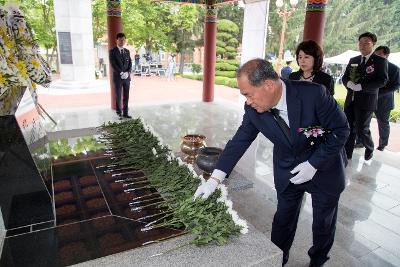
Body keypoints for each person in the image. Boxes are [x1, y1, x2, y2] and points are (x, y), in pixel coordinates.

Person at [194, 59, 349, 267]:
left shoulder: (314, 94)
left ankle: (318, 260)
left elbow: (341, 130)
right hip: (288, 168)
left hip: (324, 168)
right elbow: (240, 140)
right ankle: (277, 259)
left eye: (248, 94)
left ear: (268, 85)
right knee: (283, 220)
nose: (247, 101)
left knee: (323, 222)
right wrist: (215, 179)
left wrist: (313, 164)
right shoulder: (253, 109)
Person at [342, 32, 388, 160]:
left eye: (366, 43)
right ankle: (347, 154)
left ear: (373, 44)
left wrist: (363, 87)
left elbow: (382, 80)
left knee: (362, 129)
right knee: (349, 128)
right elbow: (345, 77)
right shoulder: (354, 60)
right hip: (351, 100)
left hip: (367, 101)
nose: (363, 46)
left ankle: (370, 146)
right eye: (360, 43)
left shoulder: (380, 61)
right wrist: (348, 83)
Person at [373, 46, 400, 151]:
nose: (377, 56)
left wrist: (379, 93)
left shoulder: (394, 68)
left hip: (384, 101)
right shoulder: (371, 67)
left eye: (379, 54)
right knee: (363, 121)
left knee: (383, 123)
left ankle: (382, 145)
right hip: (369, 100)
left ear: (386, 55)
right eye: (376, 54)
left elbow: (396, 85)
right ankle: (361, 141)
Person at [109, 32, 132, 119]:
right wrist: (121, 73)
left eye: (123, 40)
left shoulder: (127, 51)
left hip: (126, 78)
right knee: (118, 95)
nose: (122, 41)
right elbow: (113, 64)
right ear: (116, 40)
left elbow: (130, 63)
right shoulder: (112, 51)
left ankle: (125, 112)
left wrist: (127, 73)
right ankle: (119, 112)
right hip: (118, 78)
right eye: (120, 40)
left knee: (126, 95)